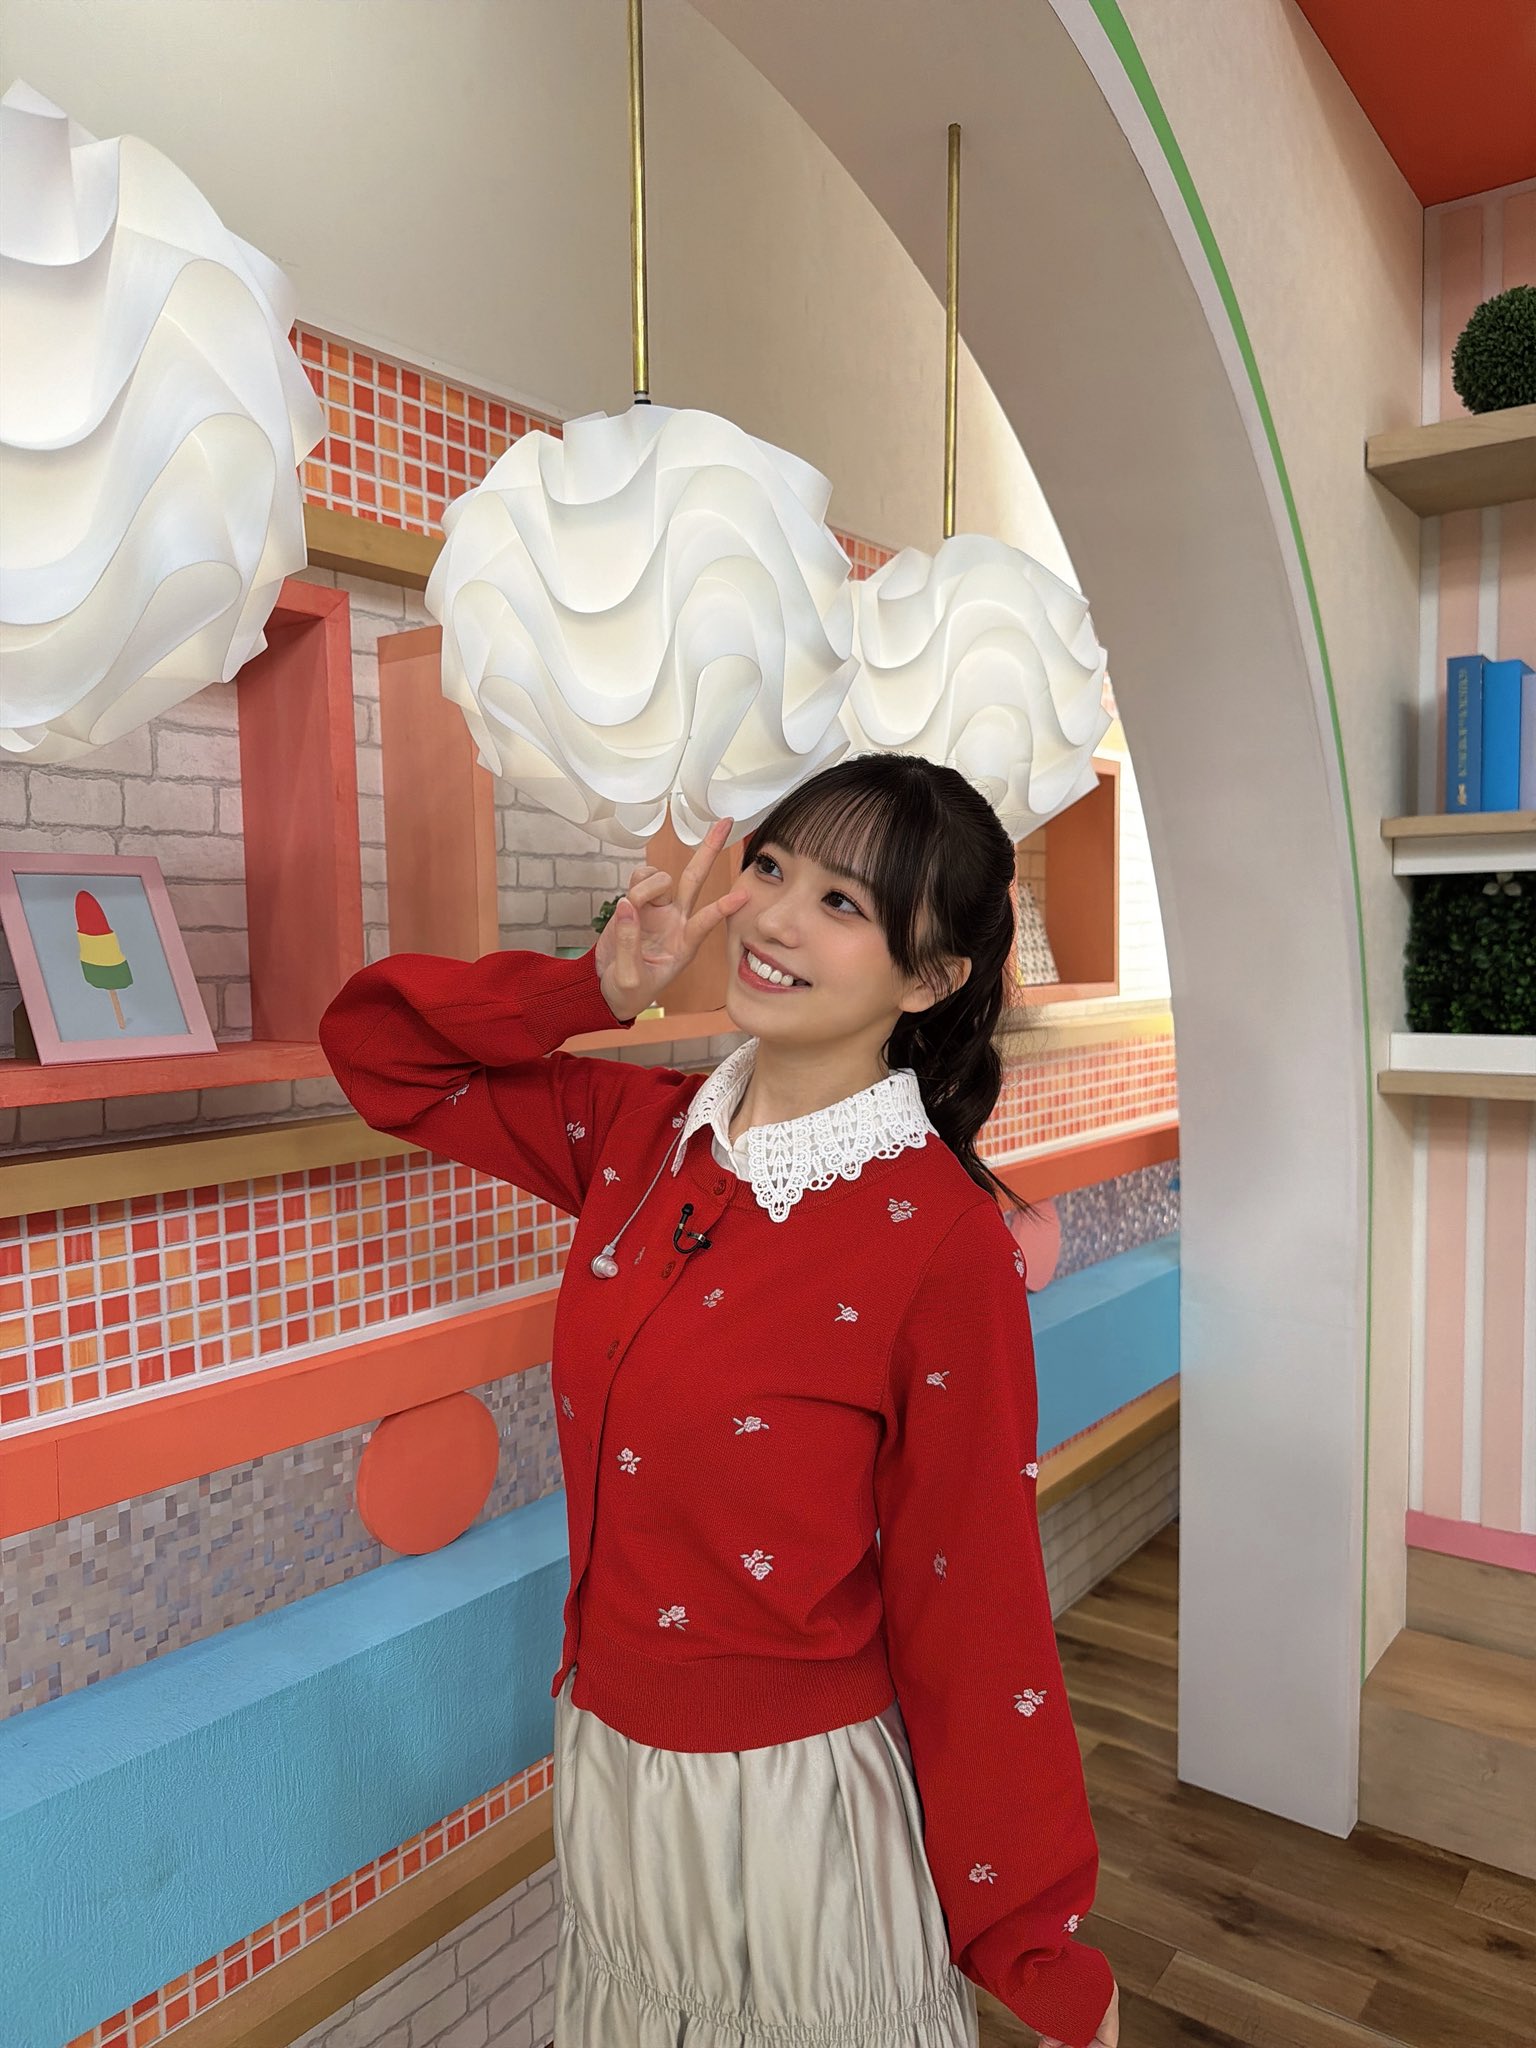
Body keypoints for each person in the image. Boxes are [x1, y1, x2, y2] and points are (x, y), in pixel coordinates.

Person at [318, 751, 1120, 2048]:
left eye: (841, 903)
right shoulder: (634, 1137)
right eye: (772, 869)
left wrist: (1029, 1934)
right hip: (609, 1766)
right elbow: (377, 1052)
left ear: (930, 979)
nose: (773, 919)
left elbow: (972, 1589)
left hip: (793, 1814)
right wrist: (593, 990)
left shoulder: (940, 1240)